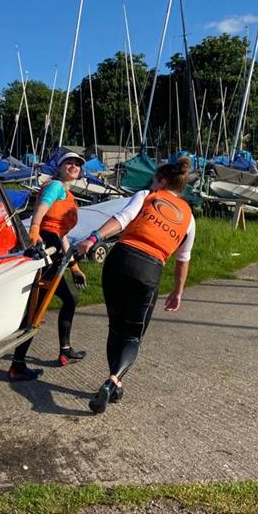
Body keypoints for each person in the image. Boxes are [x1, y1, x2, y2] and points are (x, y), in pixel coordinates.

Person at [75, 157, 195, 413]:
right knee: (132, 335)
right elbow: (183, 260)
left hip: (119, 260)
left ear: (162, 181)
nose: (152, 185)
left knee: (115, 327)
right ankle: (113, 380)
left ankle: (114, 385)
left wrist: (93, 238)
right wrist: (177, 292)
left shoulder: (147, 196)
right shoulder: (189, 217)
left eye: (154, 181)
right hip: (149, 268)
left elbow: (122, 218)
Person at [8, 152, 89, 381]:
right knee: (36, 308)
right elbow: (41, 210)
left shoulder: (68, 195)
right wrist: (34, 230)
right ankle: (17, 364)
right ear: (59, 167)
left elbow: (62, 234)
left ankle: (65, 351)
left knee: (66, 300)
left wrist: (74, 267)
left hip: (54, 244)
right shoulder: (55, 186)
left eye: (78, 164)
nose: (74, 166)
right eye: (69, 162)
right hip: (45, 243)